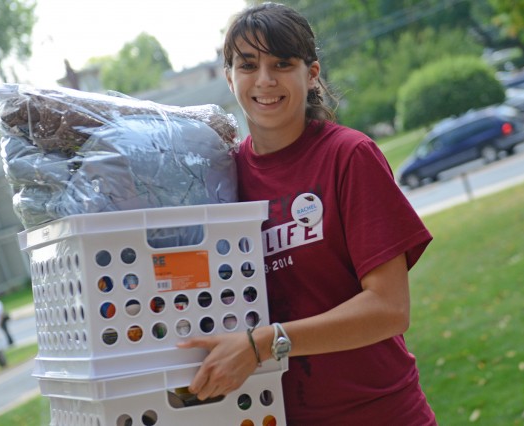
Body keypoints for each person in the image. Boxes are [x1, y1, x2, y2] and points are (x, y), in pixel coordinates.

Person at [177, 3, 437, 424]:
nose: (265, 80)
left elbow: (390, 309)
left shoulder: (349, 156)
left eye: (282, 63)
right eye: (248, 65)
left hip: (380, 412)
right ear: (229, 78)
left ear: (311, 74)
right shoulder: (220, 178)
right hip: (274, 414)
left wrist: (265, 342)